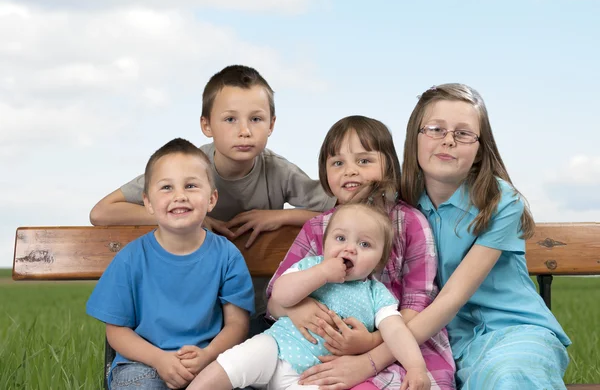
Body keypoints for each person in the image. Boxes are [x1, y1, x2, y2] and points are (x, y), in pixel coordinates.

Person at [88, 65, 336, 329]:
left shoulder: (279, 170)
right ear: (206, 125)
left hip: (258, 310)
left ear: (271, 124)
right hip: (196, 314)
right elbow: (102, 212)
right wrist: (195, 219)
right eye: (230, 119)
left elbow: (344, 211)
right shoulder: (186, 167)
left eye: (256, 119)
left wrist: (281, 216)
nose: (245, 131)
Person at [398, 84, 571, 389]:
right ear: (415, 138)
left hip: (516, 333)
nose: (448, 140)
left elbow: (451, 298)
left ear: (479, 147)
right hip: (443, 342)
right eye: (436, 129)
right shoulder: (401, 205)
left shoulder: (500, 201)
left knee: (508, 377)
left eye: (463, 133)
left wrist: (372, 356)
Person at [266, 116, 456, 390]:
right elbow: (275, 298)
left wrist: (371, 343)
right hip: (321, 350)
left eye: (364, 161)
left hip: (403, 346)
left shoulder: (410, 223)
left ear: (388, 165)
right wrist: (297, 309)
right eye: (338, 163)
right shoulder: (317, 228)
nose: (350, 171)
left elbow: (418, 306)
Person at [188, 202, 431, 390]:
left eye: (365, 244)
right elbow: (281, 295)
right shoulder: (311, 266)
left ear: (380, 261)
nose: (349, 248)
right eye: (340, 238)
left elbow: (397, 332)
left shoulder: (377, 295)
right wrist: (322, 273)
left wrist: (416, 367)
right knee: (233, 363)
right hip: (276, 348)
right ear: (324, 244)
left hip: (313, 374)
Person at [86, 138, 255, 390]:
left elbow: (237, 325)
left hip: (210, 360)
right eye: (166, 187)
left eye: (190, 186)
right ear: (148, 202)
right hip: (144, 363)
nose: (179, 196)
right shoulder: (130, 258)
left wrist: (207, 356)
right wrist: (160, 360)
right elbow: (117, 332)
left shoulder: (227, 256)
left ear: (211, 199)